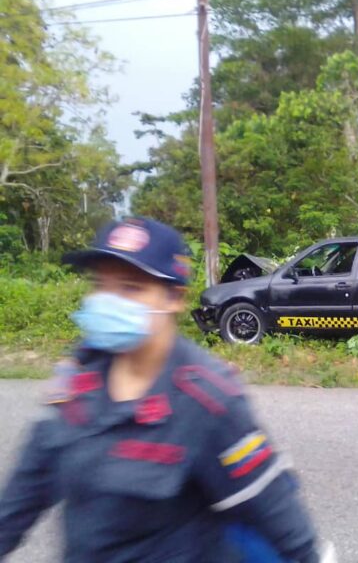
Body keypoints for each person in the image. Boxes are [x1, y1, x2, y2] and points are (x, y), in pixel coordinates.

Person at [0, 217, 327, 562]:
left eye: (131, 288)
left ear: (175, 298)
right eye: (100, 285)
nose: (108, 301)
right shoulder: (77, 378)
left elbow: (276, 512)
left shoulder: (208, 399)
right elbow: (25, 491)